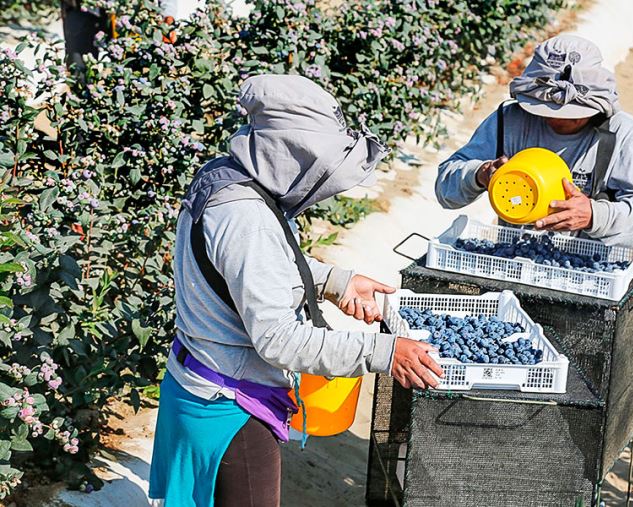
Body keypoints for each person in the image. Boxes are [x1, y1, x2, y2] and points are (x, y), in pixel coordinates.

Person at [148, 75, 443, 507]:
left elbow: (251, 270)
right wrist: (385, 352)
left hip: (196, 379)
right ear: (288, 154)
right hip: (229, 409)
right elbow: (278, 338)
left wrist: (331, 282)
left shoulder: (227, 175)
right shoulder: (245, 218)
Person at [436, 35, 633, 248]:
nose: (557, 118)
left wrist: (594, 216)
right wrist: (479, 174)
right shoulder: (511, 121)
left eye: (571, 113)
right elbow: (445, 189)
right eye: (546, 109)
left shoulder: (623, 134)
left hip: (591, 269)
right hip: (514, 257)